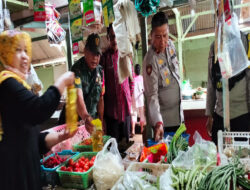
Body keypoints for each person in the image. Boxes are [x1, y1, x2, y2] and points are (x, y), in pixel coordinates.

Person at [0, 30, 77, 190]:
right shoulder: (6, 84)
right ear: (5, 53)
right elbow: (38, 110)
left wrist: (60, 137)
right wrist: (61, 82)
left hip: (26, 171)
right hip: (13, 174)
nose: (25, 57)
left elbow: (31, 137)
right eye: (17, 50)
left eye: (26, 51)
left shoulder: (20, 86)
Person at [143, 12, 184, 142]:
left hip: (179, 116)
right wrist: (158, 123)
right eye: (158, 37)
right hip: (165, 123)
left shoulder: (170, 45)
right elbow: (152, 96)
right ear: (151, 36)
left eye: (165, 35)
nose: (162, 41)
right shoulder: (150, 60)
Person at [206, 32, 250, 145]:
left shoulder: (246, 41)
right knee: (219, 156)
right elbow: (211, 82)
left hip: (242, 116)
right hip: (220, 116)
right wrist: (210, 114)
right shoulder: (214, 46)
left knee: (242, 157)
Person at [59, 33, 104, 134]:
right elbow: (78, 96)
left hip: (91, 122)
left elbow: (101, 98)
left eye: (97, 54)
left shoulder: (100, 71)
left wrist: (101, 121)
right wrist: (86, 117)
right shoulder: (76, 70)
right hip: (75, 123)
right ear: (85, 51)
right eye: (92, 53)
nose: (95, 58)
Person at [100, 24, 134, 144]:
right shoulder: (104, 59)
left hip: (125, 111)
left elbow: (132, 81)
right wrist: (103, 117)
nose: (115, 40)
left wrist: (129, 99)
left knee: (126, 146)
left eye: (117, 37)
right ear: (108, 38)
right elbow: (101, 88)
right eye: (112, 37)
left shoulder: (126, 56)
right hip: (111, 113)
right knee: (113, 148)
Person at [131, 64, 146, 136]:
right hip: (140, 99)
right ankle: (142, 129)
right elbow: (144, 89)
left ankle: (133, 130)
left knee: (134, 114)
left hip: (133, 98)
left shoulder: (132, 78)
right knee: (141, 114)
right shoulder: (142, 78)